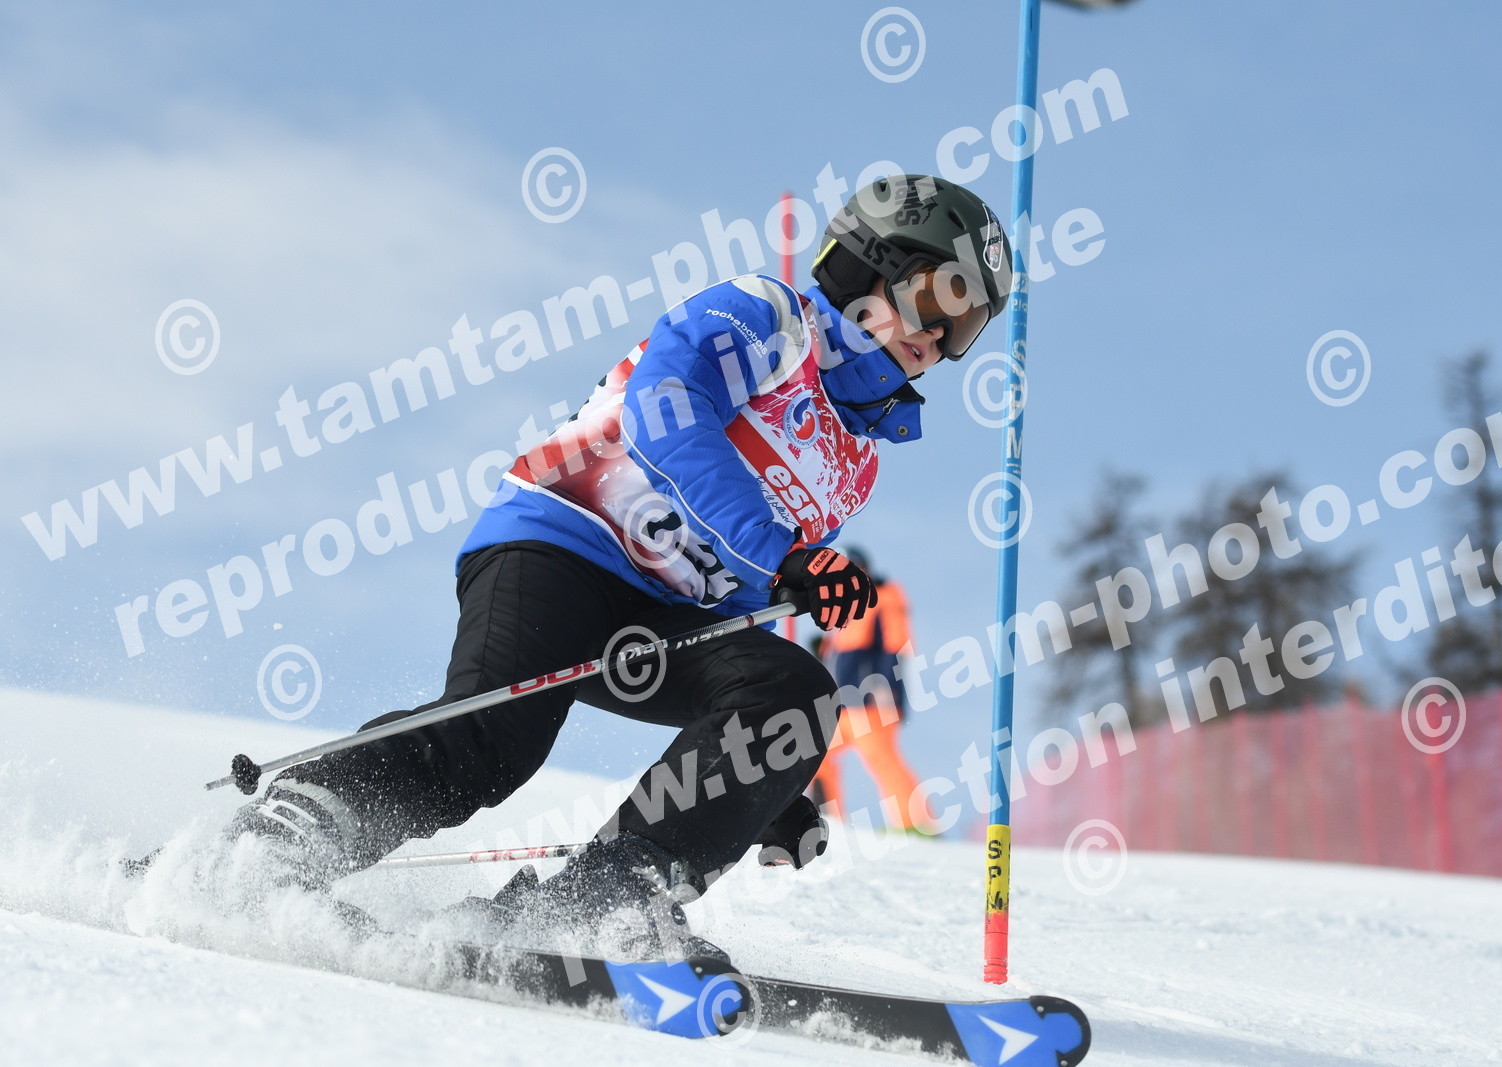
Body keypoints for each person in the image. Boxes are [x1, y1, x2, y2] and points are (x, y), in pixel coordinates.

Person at [225, 173, 1012, 958]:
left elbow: (744, 591)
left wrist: (765, 777)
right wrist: (784, 556)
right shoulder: (766, 318)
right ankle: (283, 834)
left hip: (661, 616)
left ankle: (602, 902)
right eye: (936, 297)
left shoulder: (856, 462)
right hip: (562, 541)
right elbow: (666, 413)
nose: (940, 336)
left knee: (796, 696)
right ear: (867, 265)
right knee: (495, 740)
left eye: (965, 325)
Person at [810, 547, 932, 833]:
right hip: (841, 705)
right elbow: (842, 657)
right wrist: (822, 650)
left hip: (870, 701)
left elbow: (895, 643)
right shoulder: (843, 608)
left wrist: (885, 687)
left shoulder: (884, 597)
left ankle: (914, 823)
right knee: (814, 754)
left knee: (883, 761)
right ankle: (828, 820)